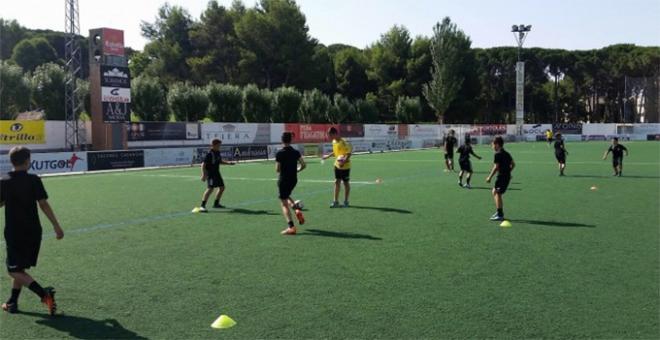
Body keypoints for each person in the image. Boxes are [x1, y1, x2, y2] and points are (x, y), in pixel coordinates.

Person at [1, 146, 63, 315]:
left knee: (13, 270)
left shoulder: (4, 180)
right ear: (28, 161)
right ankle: (12, 302)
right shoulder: (34, 179)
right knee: (19, 268)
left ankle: (44, 294)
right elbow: (43, 204)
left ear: (11, 161)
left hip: (15, 232)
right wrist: (56, 226)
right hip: (34, 232)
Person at [276, 132, 307, 235]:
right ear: (291, 140)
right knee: (286, 196)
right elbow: (303, 165)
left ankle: (291, 227)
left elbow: (277, 169)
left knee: (283, 203)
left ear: (282, 140)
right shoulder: (296, 152)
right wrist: (297, 170)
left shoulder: (279, 153)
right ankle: (296, 209)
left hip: (283, 179)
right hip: (293, 179)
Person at [199, 139, 235, 212]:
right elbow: (203, 164)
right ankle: (202, 206)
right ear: (213, 145)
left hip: (217, 173)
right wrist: (203, 174)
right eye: (218, 145)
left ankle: (216, 203)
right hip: (211, 174)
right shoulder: (209, 154)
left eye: (220, 145)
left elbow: (220, 161)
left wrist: (229, 163)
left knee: (222, 187)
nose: (219, 147)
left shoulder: (217, 152)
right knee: (210, 189)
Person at [486, 137, 515, 221]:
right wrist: (508, 172)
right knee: (494, 191)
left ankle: (500, 214)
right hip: (505, 176)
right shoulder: (507, 153)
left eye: (492, 144)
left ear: (497, 144)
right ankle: (499, 211)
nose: (492, 146)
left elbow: (496, 167)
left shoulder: (497, 154)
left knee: (497, 193)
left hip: (502, 177)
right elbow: (513, 164)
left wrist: (489, 177)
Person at [322, 127, 352, 208]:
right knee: (336, 182)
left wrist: (343, 162)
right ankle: (335, 201)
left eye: (330, 135)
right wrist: (327, 156)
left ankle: (346, 201)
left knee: (346, 183)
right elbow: (335, 152)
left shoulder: (344, 142)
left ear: (335, 133)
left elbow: (348, 153)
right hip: (337, 165)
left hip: (345, 166)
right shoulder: (334, 141)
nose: (329, 137)